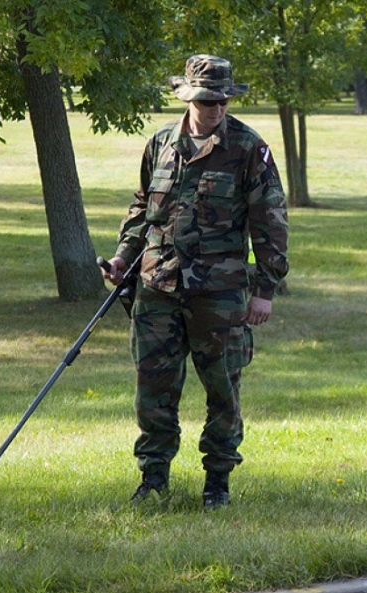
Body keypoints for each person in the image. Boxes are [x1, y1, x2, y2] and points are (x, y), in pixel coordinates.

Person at [102, 55, 289, 509]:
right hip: (157, 286)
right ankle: (153, 478)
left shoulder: (248, 147)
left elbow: (270, 220)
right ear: (188, 98)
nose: (216, 108)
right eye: (207, 101)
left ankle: (217, 483)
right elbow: (142, 208)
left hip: (219, 293)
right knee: (153, 388)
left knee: (223, 390)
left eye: (223, 100)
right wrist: (123, 256)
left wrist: (264, 289)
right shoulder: (161, 143)